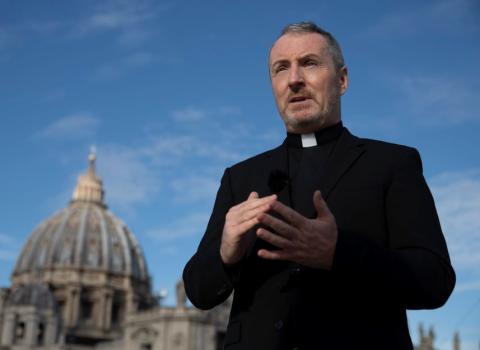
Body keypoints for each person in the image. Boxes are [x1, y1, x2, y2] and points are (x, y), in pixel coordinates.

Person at [182, 22, 455, 350]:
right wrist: (226, 253)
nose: (294, 79)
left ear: (342, 80)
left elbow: (434, 281)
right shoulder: (239, 178)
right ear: (273, 85)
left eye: (309, 63)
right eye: (281, 69)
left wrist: (339, 253)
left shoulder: (393, 164)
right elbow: (198, 291)